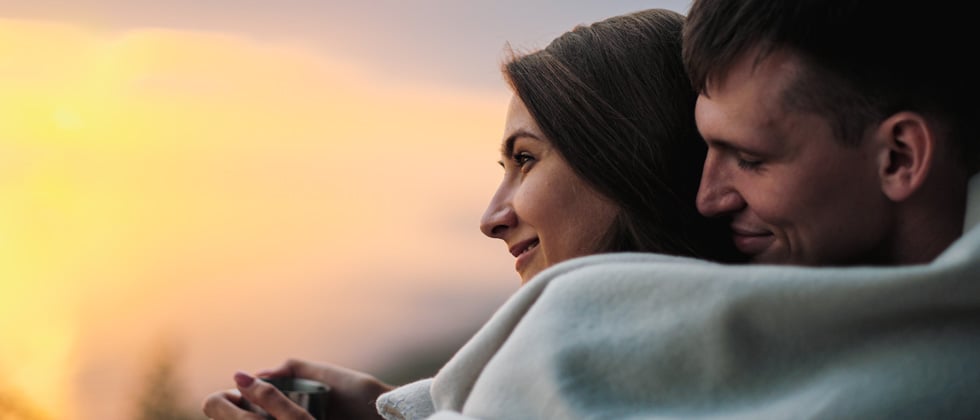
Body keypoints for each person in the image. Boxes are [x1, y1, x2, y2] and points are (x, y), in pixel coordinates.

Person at [356, 0, 980, 418]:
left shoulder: (569, 325)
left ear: (899, 157)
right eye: (706, 147)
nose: (708, 197)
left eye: (751, 157)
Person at [202, 8, 740, 419]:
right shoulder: (726, 354)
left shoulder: (588, 364)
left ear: (627, 161)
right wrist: (386, 404)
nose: (491, 218)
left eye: (525, 159)